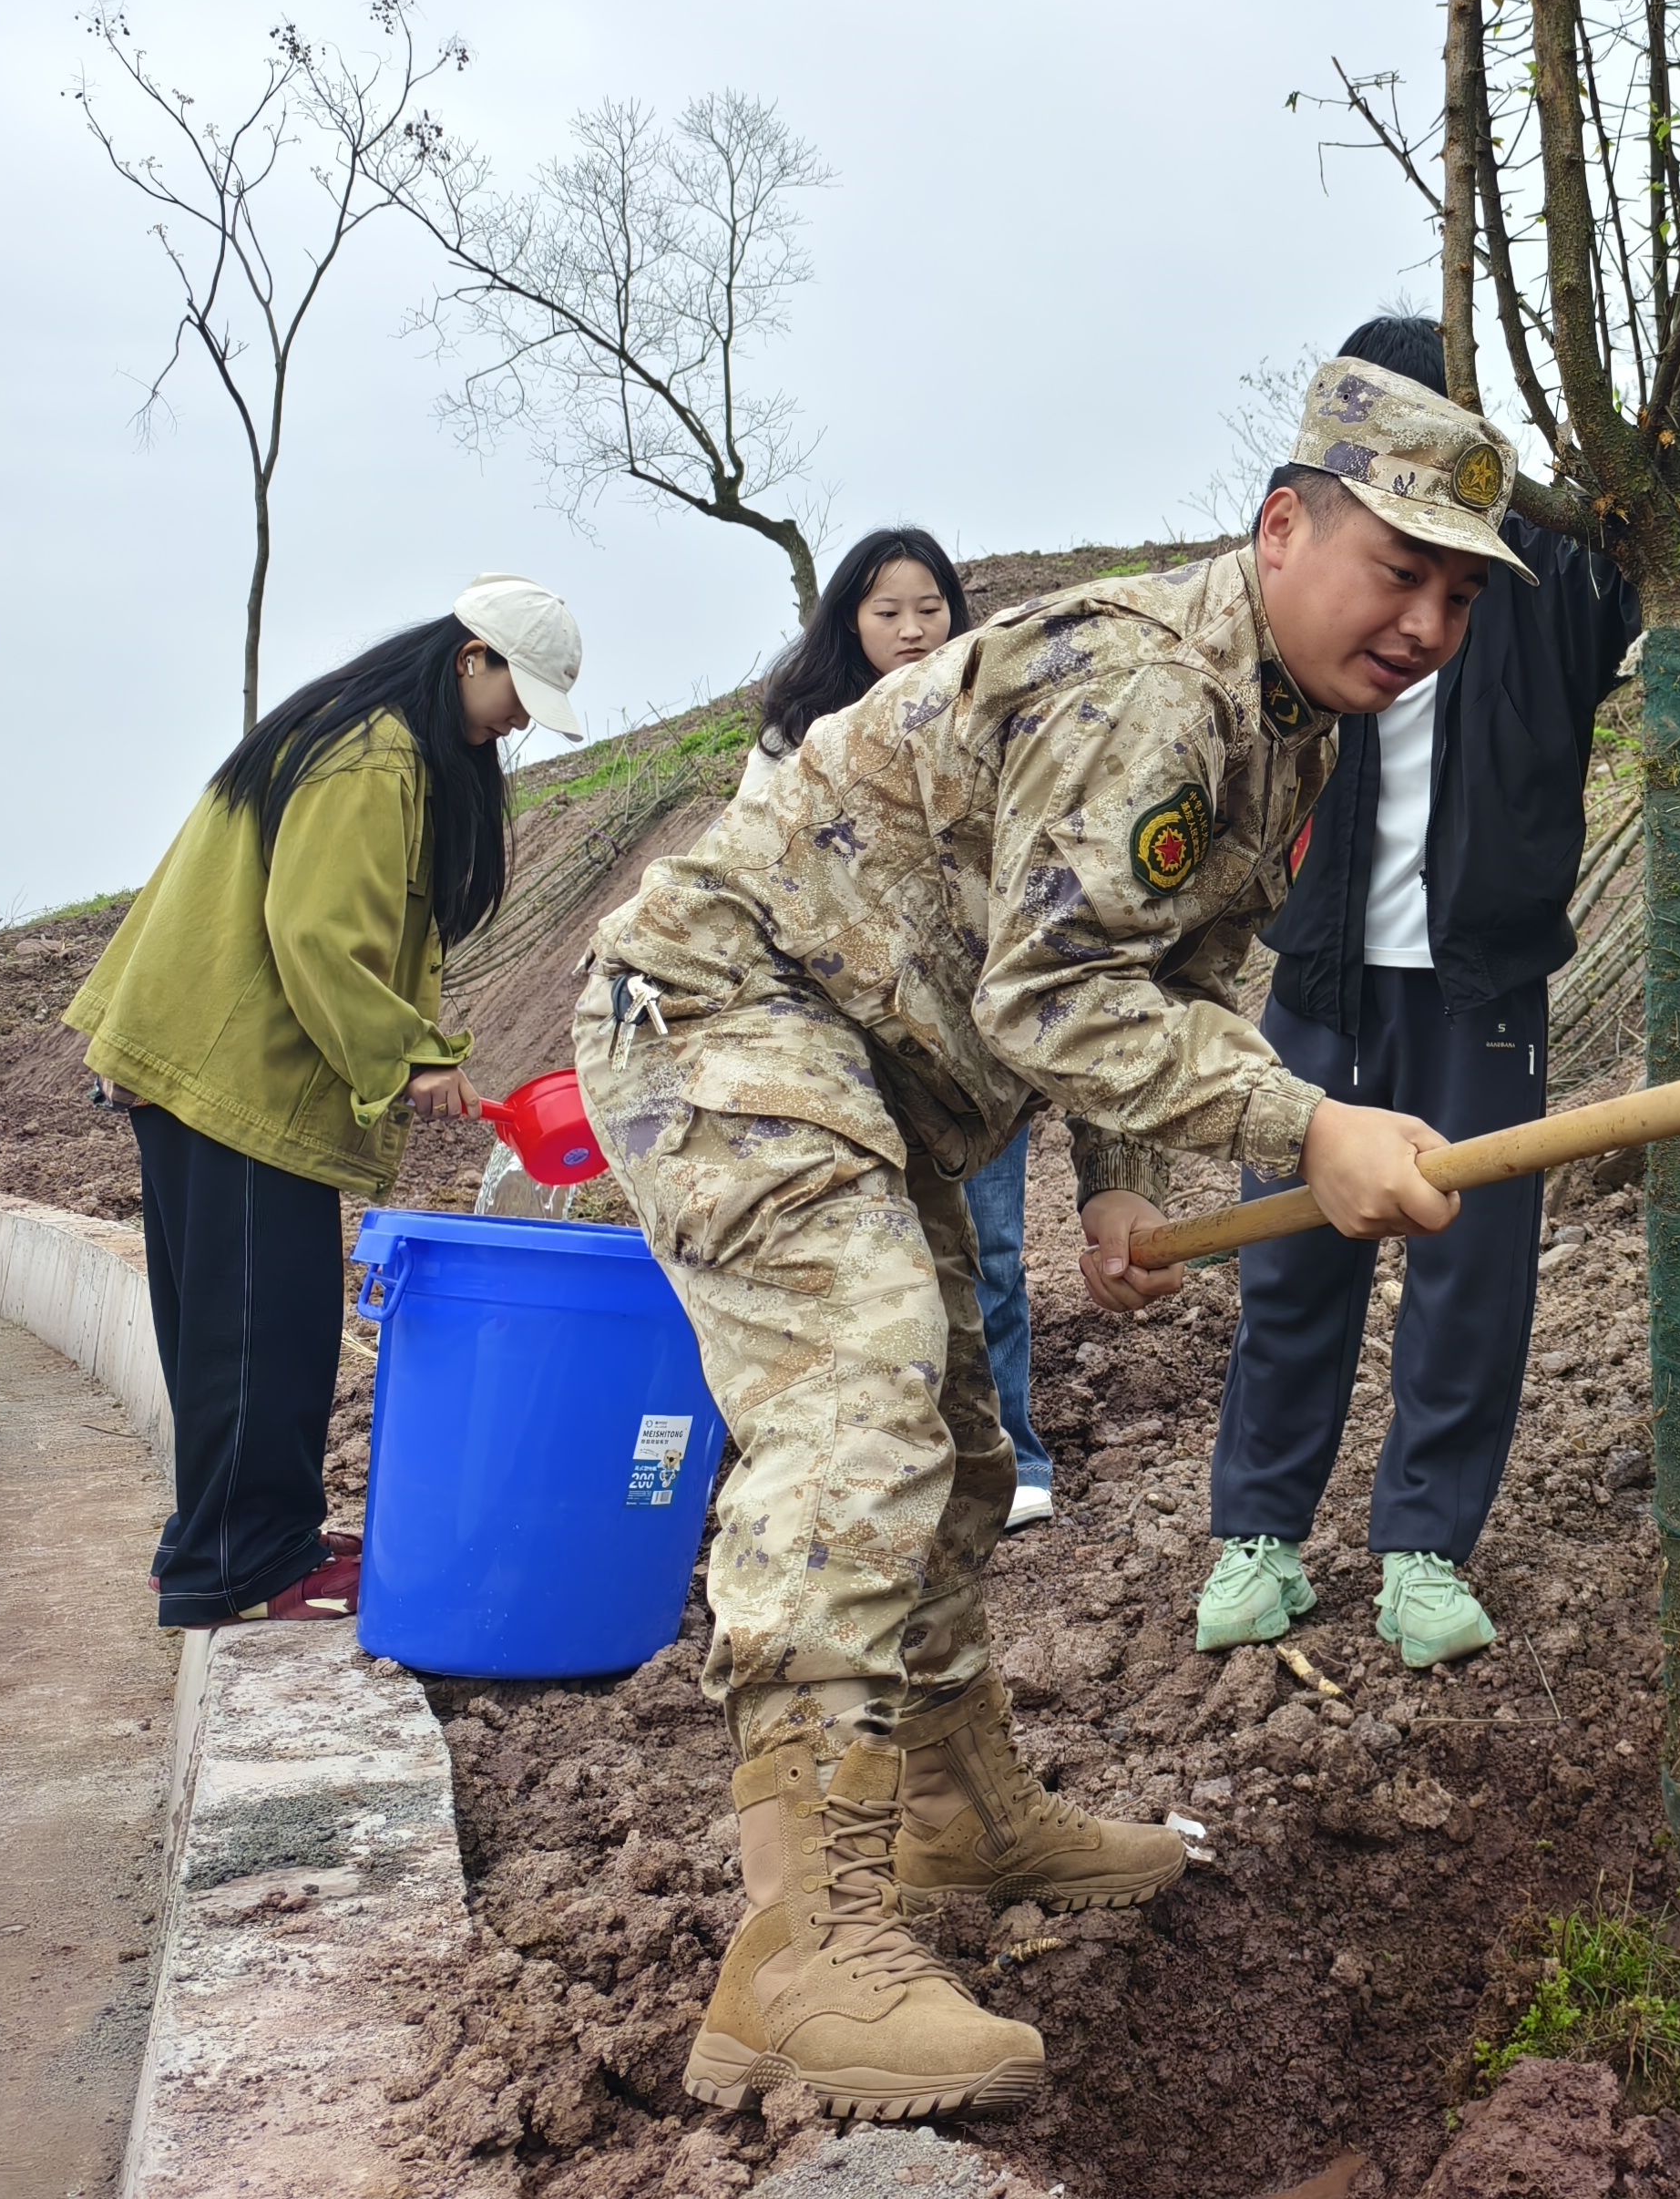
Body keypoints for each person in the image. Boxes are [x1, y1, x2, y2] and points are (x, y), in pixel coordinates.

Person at [575, 362, 1528, 2123]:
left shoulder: (1282, 713)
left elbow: (1142, 961)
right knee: (859, 1403)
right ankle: (795, 1950)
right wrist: (1304, 1124)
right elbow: (1059, 987)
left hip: (877, 1061)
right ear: (1282, 525)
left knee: (947, 1442)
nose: (1426, 624)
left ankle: (944, 1811)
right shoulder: (1153, 689)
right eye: (1399, 570)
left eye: (1460, 596)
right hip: (733, 1013)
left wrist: (1112, 1180)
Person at [1194, 321, 1680, 1668]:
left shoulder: (1544, 572)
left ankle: (1425, 1552)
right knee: (1293, 1262)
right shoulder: (1303, 598)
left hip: (1480, 985)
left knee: (1470, 1274)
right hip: (1320, 979)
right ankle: (1259, 1536)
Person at [65, 574, 586, 1629]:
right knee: (260, 1332)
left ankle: (229, 1545)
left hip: (216, 1066)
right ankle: (243, 1567)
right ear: (468, 658)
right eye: (517, 692)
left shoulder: (363, 735)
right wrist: (412, 1058)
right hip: (236, 1072)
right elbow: (318, 936)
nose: (522, 719)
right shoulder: (373, 758)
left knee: (241, 1326)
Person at [748, 525, 1055, 1530]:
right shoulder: (796, 738)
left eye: (931, 609)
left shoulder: (992, 716)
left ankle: (1009, 1450)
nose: (914, 630)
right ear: (850, 622)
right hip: (848, 1040)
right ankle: (886, 1463)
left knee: (993, 1247)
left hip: (971, 1037)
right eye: (889, 612)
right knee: (871, 1255)